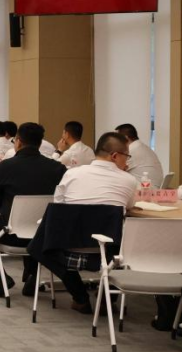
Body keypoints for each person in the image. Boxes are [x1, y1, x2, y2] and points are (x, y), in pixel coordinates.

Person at [48, 132, 139, 312]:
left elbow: (58, 205)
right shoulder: (129, 180)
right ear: (115, 156)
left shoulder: (72, 173)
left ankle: (80, 297)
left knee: (42, 247)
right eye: (127, 156)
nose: (127, 161)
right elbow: (129, 207)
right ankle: (106, 298)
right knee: (126, 236)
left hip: (68, 246)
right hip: (110, 251)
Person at [0, 122, 66, 297]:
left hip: (10, 234)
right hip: (43, 236)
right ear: (40, 143)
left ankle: (2, 280)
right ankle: (32, 276)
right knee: (34, 225)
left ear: (17, 141)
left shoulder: (6, 166)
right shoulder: (58, 168)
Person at [115, 123, 164, 188]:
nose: (115, 141)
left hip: (145, 189)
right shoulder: (142, 147)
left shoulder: (131, 150)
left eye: (117, 138)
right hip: (153, 187)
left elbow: (115, 170)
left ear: (125, 138)